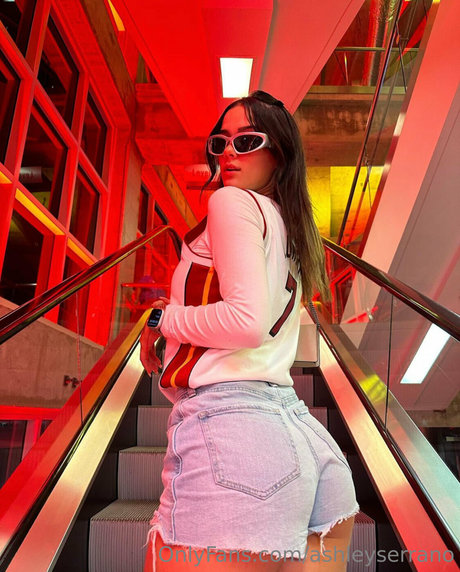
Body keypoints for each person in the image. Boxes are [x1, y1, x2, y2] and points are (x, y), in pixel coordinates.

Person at [140, 90, 359, 571]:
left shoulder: (231, 202)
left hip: (233, 433)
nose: (228, 153)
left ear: (279, 150)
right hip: (301, 433)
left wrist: (162, 320)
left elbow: (246, 322)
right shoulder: (291, 224)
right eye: (220, 142)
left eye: (247, 141)